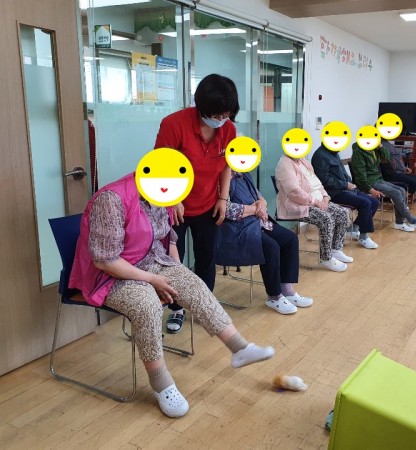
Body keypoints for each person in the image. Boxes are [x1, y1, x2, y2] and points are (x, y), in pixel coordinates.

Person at [69, 173, 275, 418]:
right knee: (146, 305)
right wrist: (153, 280)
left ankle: (239, 348)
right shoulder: (111, 199)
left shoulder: (161, 193)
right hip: (111, 275)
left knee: (192, 283)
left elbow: (169, 239)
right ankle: (161, 384)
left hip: (151, 261)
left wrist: (177, 272)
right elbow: (105, 260)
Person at [154, 74, 239, 334]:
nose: (221, 118)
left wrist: (223, 198)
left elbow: (227, 165)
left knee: (207, 257)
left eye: (227, 113)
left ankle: (204, 305)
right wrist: (174, 199)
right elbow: (162, 165)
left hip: (209, 204)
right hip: (174, 206)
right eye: (217, 114)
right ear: (202, 106)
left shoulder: (228, 129)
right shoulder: (174, 124)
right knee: (173, 261)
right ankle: (176, 308)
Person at [216, 171, 313, 315]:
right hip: (237, 229)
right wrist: (255, 209)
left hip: (257, 221)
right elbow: (228, 210)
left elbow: (260, 197)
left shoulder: (244, 174)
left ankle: (287, 290)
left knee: (290, 239)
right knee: (270, 247)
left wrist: (261, 203)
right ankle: (274, 296)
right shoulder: (221, 178)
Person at [275, 154, 353, 272]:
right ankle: (326, 258)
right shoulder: (284, 165)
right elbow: (295, 192)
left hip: (318, 200)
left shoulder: (303, 161)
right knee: (326, 218)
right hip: (298, 206)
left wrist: (325, 196)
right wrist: (316, 202)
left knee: (342, 213)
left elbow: (318, 184)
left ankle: (336, 250)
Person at [350, 140, 416, 232]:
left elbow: (387, 159)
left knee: (401, 190)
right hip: (369, 183)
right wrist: (371, 190)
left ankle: (399, 223)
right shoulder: (358, 153)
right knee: (396, 193)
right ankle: (411, 219)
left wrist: (380, 146)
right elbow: (360, 177)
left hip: (378, 179)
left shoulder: (373, 149)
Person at [311, 142, 379, 249]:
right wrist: (345, 185)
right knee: (365, 203)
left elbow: (343, 173)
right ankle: (364, 237)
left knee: (374, 202)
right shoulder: (320, 156)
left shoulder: (334, 152)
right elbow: (323, 179)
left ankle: (353, 228)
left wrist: (350, 184)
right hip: (333, 193)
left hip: (346, 189)